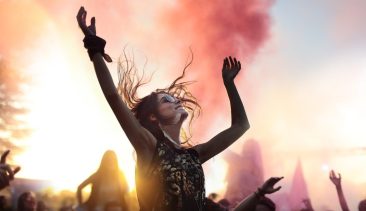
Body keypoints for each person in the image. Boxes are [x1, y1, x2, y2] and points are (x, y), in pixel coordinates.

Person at [76, 6, 282, 210]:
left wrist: (230, 85)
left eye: (173, 98)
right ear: (154, 118)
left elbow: (241, 126)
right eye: (166, 101)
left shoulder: (195, 156)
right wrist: (94, 48)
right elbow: (113, 97)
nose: (175, 100)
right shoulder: (148, 146)